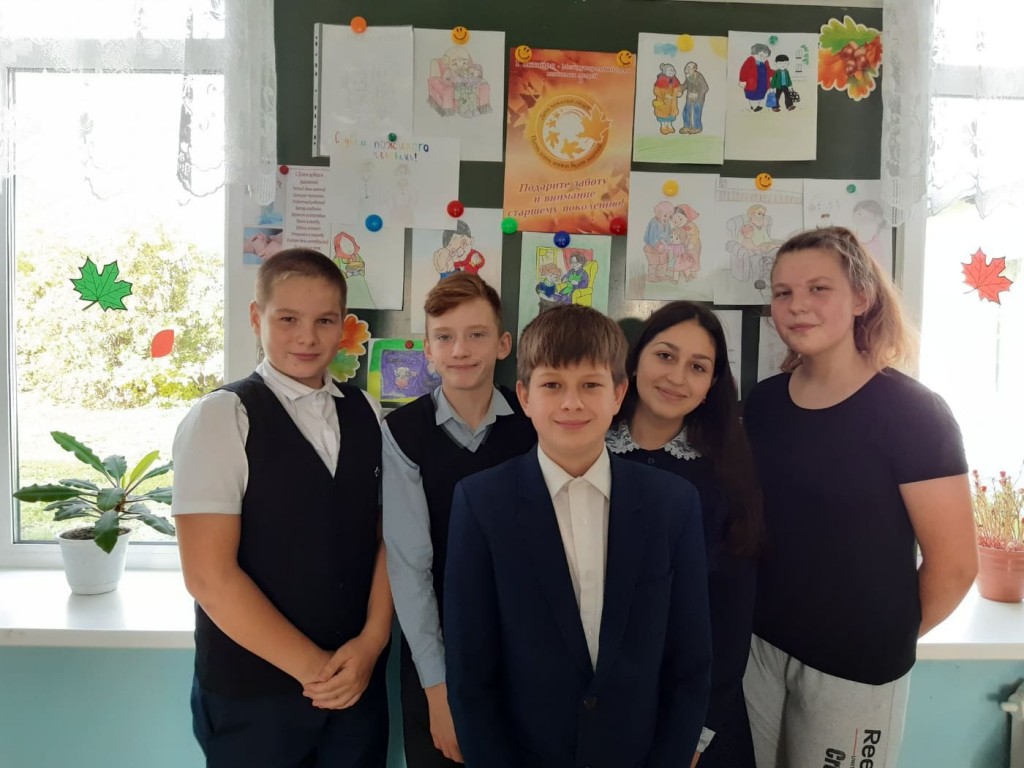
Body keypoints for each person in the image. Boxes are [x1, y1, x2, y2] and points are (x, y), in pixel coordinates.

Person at [743, 227, 977, 768]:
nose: (797, 305)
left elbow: (956, 566)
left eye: (818, 288)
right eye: (783, 293)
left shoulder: (913, 413)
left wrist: (880, 639)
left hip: (854, 671)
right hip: (759, 651)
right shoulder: (765, 403)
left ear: (861, 298)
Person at [444, 304, 712, 768]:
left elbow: (689, 663)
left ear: (618, 393)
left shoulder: (673, 504)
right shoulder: (481, 503)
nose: (572, 403)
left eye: (590, 385)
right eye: (552, 385)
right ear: (525, 396)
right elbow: (471, 673)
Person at [172, 248, 393, 768]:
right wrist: (316, 671)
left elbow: (388, 538)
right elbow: (208, 576)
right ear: (257, 317)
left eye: (324, 321)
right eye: (288, 319)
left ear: (343, 325)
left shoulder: (367, 413)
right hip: (254, 698)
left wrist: (371, 643)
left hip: (357, 685)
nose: (307, 337)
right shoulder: (223, 417)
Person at [383, 273, 536, 768]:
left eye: (477, 334)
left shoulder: (536, 425)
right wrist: (437, 688)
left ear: (503, 344)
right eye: (445, 337)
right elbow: (410, 568)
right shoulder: (402, 433)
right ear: (428, 348)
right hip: (438, 657)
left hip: (528, 654)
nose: (461, 350)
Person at [606, 301, 762, 768]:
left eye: (698, 367)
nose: (677, 377)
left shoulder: (726, 475)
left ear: (712, 384)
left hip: (692, 707)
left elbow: (731, 613)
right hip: (598, 700)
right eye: (665, 356)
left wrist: (699, 727)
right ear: (635, 360)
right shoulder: (585, 449)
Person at [739, 44, 773, 111]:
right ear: (754, 53)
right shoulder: (750, 60)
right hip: (752, 84)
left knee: (761, 95)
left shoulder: (765, 62)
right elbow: (744, 70)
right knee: (751, 95)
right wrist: (742, 81)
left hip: (763, 84)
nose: (763, 58)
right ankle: (751, 106)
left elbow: (769, 71)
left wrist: (776, 72)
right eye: (761, 55)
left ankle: (759, 106)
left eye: (766, 56)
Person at [653, 62, 683, 134]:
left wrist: (679, 92)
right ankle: (663, 126)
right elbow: (656, 91)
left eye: (673, 70)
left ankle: (669, 126)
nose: (672, 71)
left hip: (672, 103)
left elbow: (679, 88)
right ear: (664, 72)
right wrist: (664, 95)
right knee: (663, 116)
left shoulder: (675, 80)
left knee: (671, 115)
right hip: (663, 103)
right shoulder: (660, 81)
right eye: (670, 70)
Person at [681, 61, 710, 134]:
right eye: (686, 67)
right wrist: (680, 89)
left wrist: (696, 94)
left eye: (689, 68)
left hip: (698, 99)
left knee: (696, 113)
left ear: (694, 69)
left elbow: (705, 88)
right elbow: (685, 85)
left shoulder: (699, 76)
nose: (686, 69)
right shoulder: (688, 76)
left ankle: (697, 128)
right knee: (686, 112)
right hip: (689, 98)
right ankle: (686, 126)